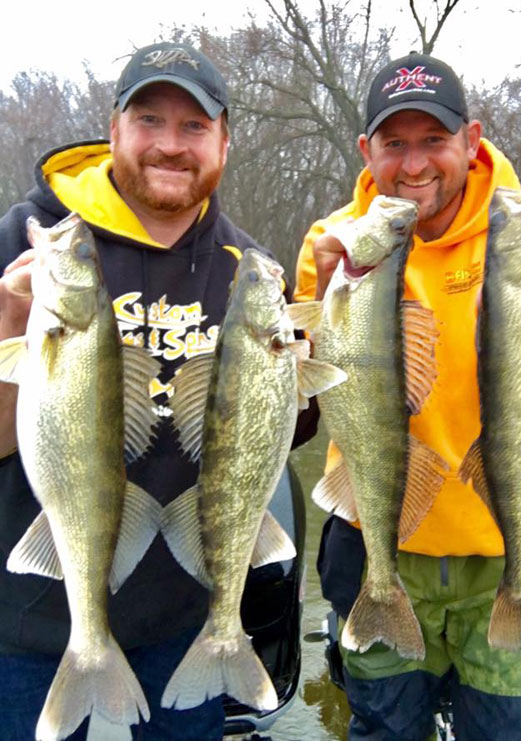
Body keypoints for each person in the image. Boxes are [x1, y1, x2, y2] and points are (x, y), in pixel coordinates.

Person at [294, 52, 521, 740]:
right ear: (364, 149)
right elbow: (299, 392)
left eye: (434, 139)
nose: (414, 163)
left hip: (506, 544)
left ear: (472, 137)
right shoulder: (335, 244)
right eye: (394, 143)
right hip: (377, 536)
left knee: (512, 730)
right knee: (383, 728)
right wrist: (315, 294)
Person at [0, 41, 301, 740]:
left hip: (183, 620)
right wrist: (12, 322)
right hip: (32, 621)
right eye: (149, 120)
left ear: (225, 141)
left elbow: (270, 446)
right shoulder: (30, 238)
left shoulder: (250, 268)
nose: (172, 144)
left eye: (194, 126)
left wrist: (298, 377)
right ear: (113, 130)